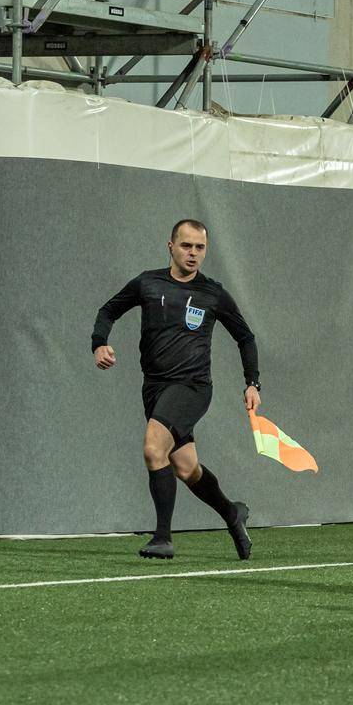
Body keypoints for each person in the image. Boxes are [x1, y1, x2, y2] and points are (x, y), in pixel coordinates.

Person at [92, 219, 260, 560]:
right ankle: (232, 514)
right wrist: (99, 343)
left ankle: (163, 537)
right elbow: (108, 310)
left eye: (200, 247)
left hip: (193, 387)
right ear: (171, 246)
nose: (193, 253)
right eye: (186, 246)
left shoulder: (213, 293)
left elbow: (245, 337)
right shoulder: (148, 283)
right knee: (185, 467)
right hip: (155, 387)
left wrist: (252, 382)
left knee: (154, 449)